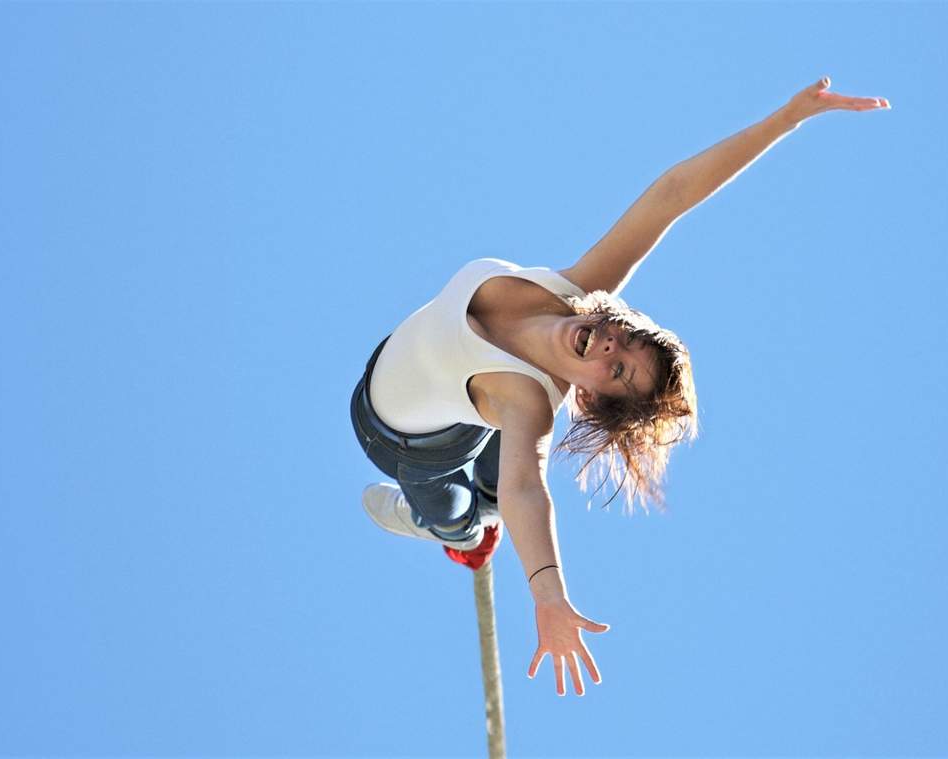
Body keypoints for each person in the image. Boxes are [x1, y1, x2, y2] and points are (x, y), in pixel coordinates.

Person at [348, 77, 889, 698]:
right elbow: (672, 197)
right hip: (411, 379)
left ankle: (464, 538)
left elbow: (531, 491)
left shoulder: (530, 401)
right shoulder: (574, 290)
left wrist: (548, 596)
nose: (612, 347)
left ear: (590, 396)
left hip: (408, 445)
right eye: (626, 339)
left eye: (621, 371)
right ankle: (483, 506)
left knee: (475, 508)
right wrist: (786, 119)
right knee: (500, 472)